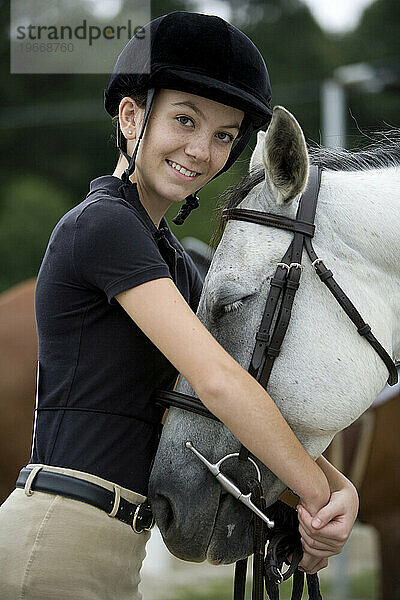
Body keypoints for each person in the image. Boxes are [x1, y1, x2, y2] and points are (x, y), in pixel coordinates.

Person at [0, 11, 358, 600]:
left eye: (223, 135)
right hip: (57, 540)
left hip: (111, 548)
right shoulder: (103, 226)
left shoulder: (173, 265)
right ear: (132, 115)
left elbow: (233, 399)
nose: (201, 150)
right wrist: (319, 496)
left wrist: (337, 488)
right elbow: (217, 382)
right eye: (185, 120)